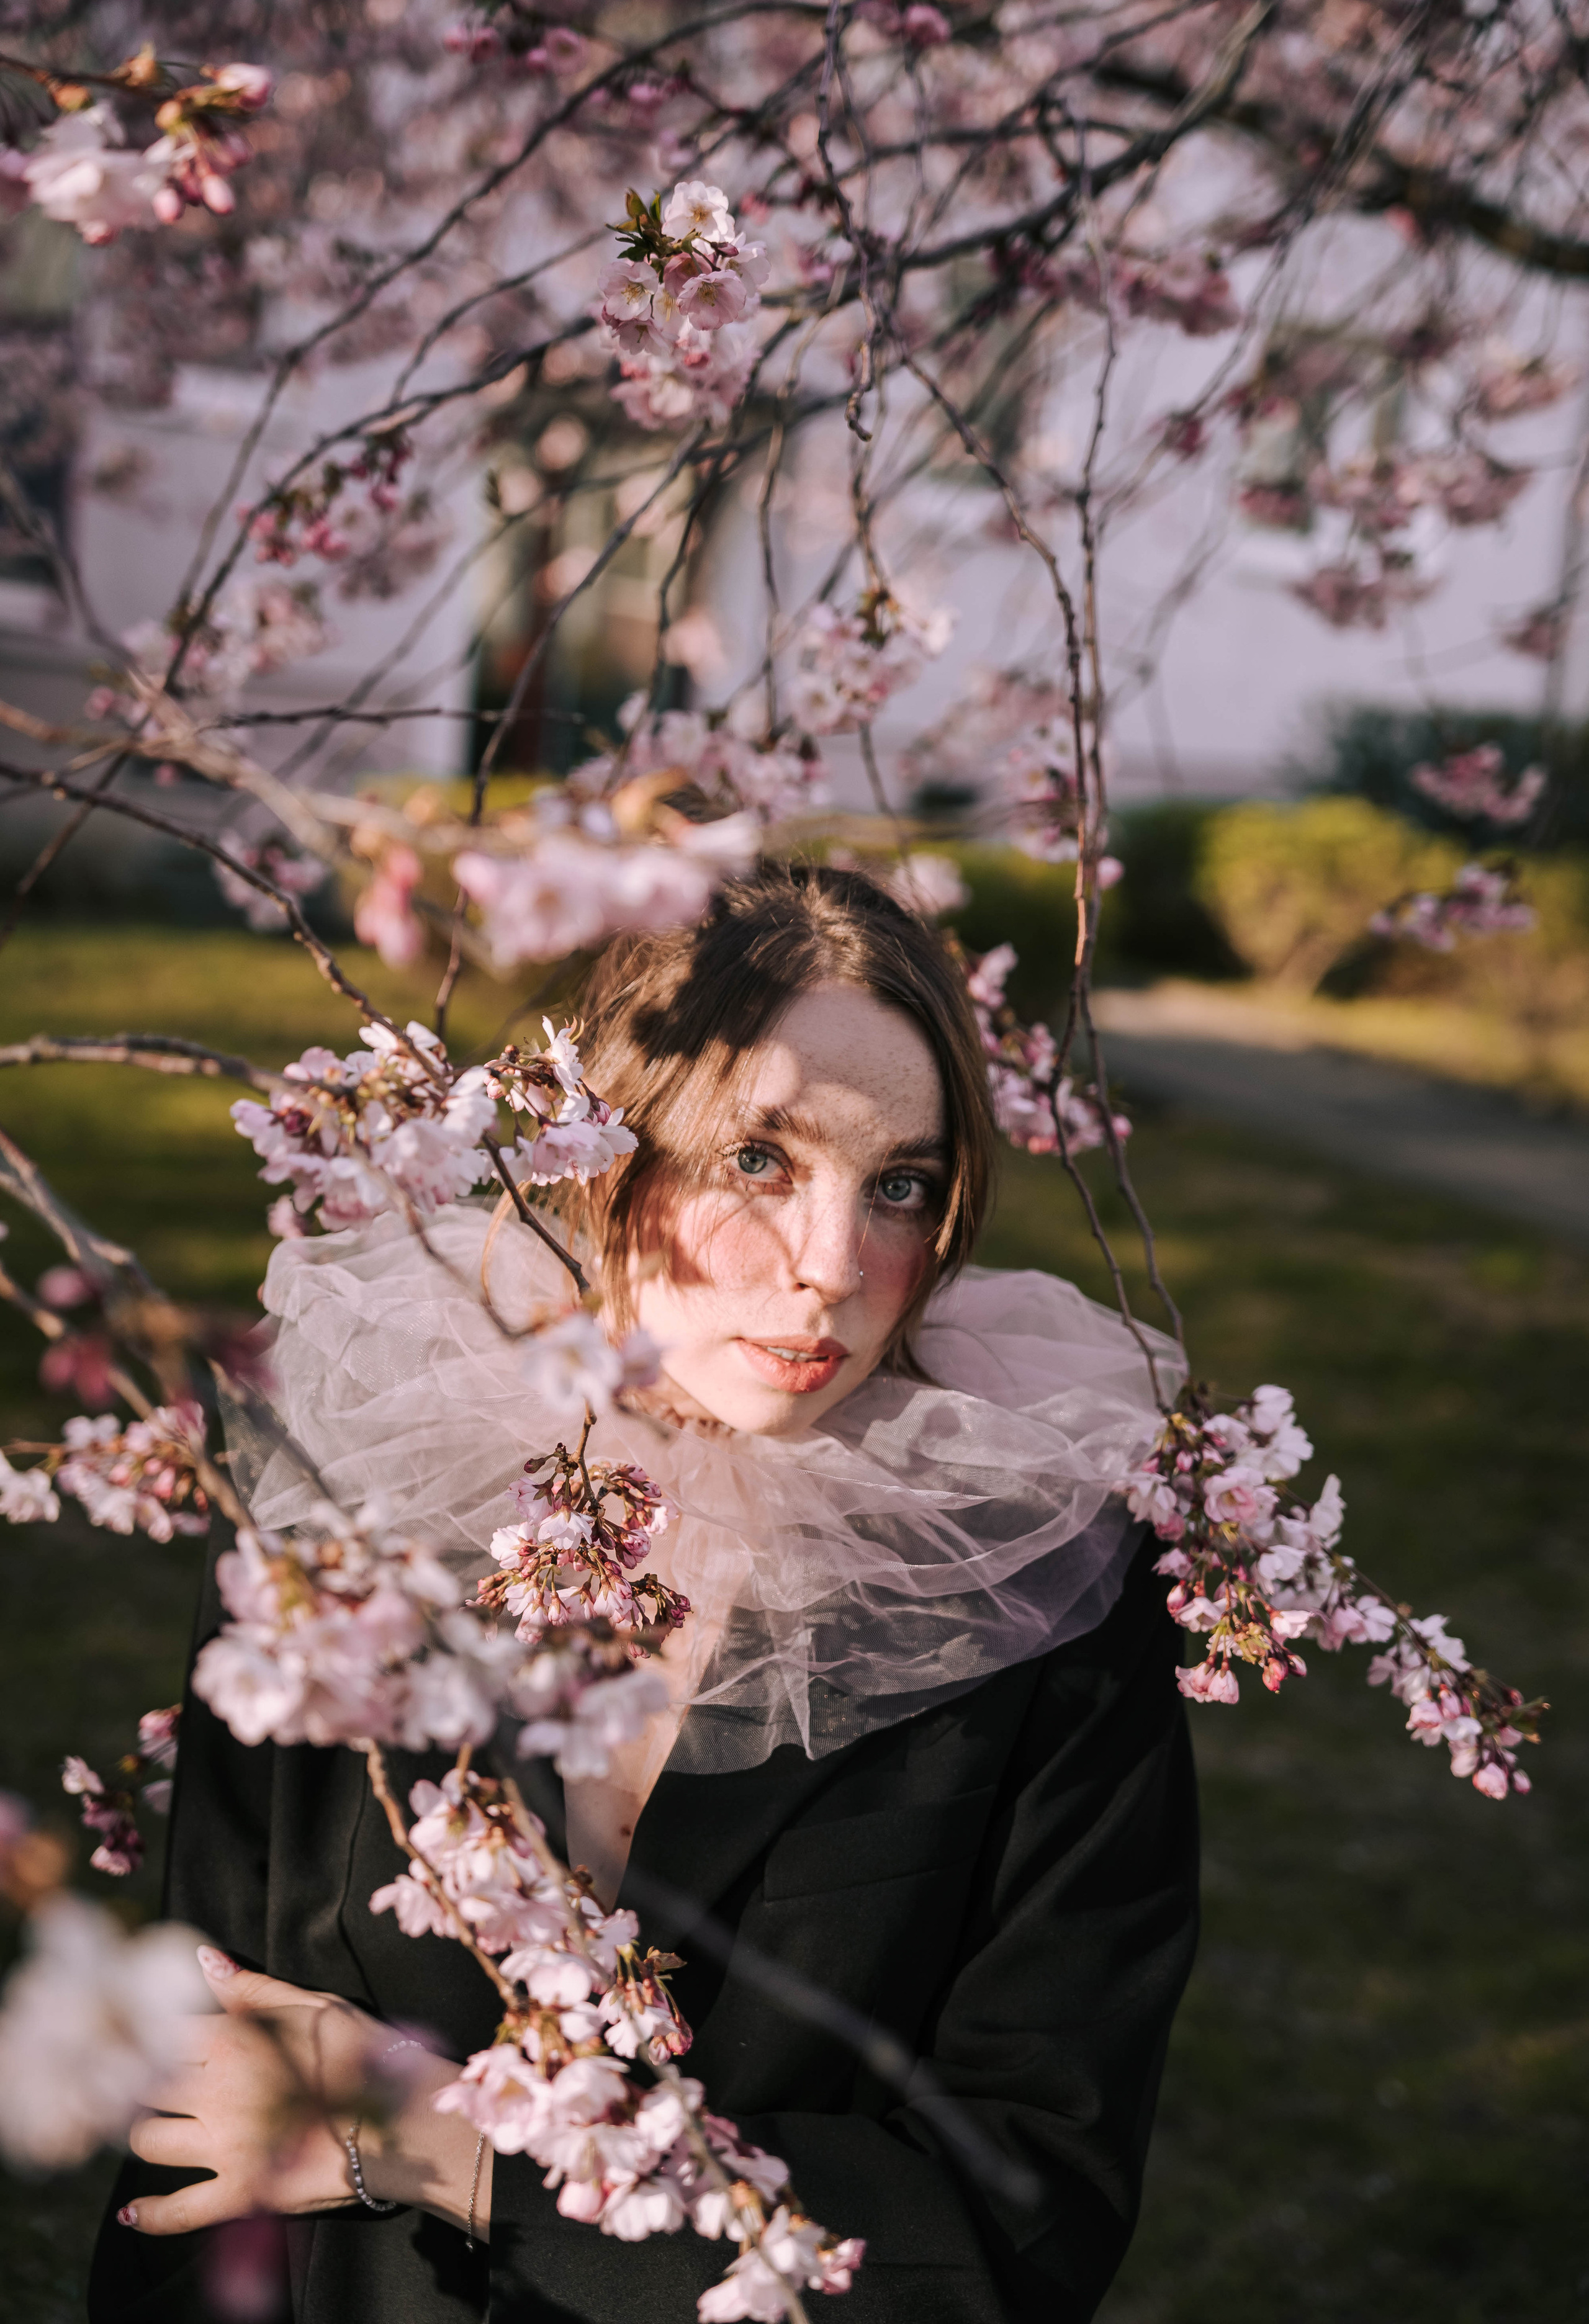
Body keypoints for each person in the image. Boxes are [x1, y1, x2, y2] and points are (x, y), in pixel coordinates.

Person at [91, 863, 1199, 2324]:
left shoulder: (1031, 1603)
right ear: (595, 1150)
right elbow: (208, 2088)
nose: (829, 1268)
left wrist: (445, 2154)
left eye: (900, 1187)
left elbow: (1023, 2208)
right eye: (759, 1159)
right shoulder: (356, 1515)